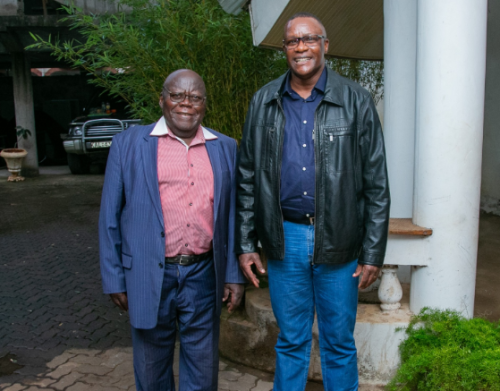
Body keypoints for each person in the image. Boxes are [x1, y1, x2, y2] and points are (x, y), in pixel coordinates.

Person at [236, 13, 390, 391]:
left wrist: (372, 252)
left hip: (339, 240)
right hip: (284, 240)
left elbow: (377, 185)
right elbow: (247, 179)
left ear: (325, 45)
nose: (300, 47)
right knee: (290, 341)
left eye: (309, 39)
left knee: (338, 343)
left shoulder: (356, 100)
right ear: (285, 49)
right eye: (292, 41)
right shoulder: (264, 101)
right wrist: (245, 243)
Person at [99, 69, 246, 391]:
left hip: (203, 274)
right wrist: (114, 277)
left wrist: (233, 274)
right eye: (177, 96)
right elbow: (109, 216)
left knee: (203, 370)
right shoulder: (129, 144)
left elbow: (232, 215)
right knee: (151, 372)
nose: (185, 104)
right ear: (163, 99)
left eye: (194, 98)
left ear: (204, 104)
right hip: (149, 274)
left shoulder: (225, 147)